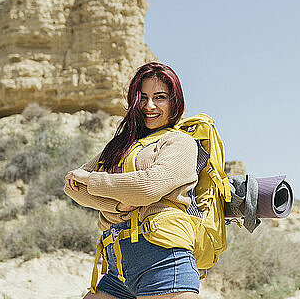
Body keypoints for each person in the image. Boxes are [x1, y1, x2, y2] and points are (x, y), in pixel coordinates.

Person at [64, 62, 200, 299]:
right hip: (117, 270)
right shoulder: (121, 145)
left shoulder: (180, 143)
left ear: (174, 101)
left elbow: (147, 187)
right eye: (143, 97)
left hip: (163, 263)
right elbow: (73, 187)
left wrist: (93, 180)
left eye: (160, 97)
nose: (149, 106)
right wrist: (117, 205)